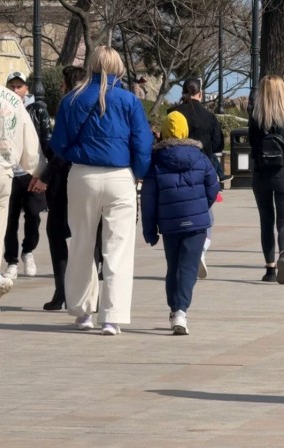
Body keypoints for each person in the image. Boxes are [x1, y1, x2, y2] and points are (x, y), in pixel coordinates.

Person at [50, 45, 153, 335]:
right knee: (118, 248)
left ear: (92, 66)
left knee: (81, 243)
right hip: (120, 176)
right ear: (119, 68)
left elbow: (58, 142)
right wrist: (138, 173)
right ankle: (112, 317)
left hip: (83, 174)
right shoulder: (129, 100)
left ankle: (83, 312)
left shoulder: (72, 99)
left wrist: (77, 153)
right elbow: (142, 143)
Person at [141, 111, 219, 335]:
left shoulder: (156, 161)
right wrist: (201, 206)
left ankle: (174, 308)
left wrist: (149, 230)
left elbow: (148, 198)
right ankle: (181, 311)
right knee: (188, 268)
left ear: (164, 133)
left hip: (170, 223)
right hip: (196, 222)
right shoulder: (200, 157)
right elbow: (213, 187)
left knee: (173, 266)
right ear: (185, 131)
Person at [34, 66, 86, 311]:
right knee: (86, 236)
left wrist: (45, 176)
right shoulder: (92, 105)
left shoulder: (68, 105)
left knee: (56, 233)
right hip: (85, 177)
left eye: (63, 84)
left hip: (63, 179)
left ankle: (62, 291)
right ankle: (85, 293)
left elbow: (61, 149)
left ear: (67, 84)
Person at [167, 78, 226, 279]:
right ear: (200, 93)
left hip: (174, 170)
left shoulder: (173, 113)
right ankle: (200, 249)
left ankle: (180, 256)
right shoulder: (209, 116)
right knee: (205, 215)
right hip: (202, 169)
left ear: (183, 92)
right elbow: (218, 145)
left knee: (177, 213)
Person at [248, 75, 284, 284]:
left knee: (266, 221)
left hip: (262, 172)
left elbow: (252, 141)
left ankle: (270, 269)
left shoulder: (256, 114)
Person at [4, 72, 48, 281]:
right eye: (12, 86)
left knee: (33, 215)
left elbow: (42, 138)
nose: (15, 90)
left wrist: (42, 173)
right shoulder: (3, 106)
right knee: (9, 219)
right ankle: (11, 261)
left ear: (26, 89)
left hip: (30, 173)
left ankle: (28, 250)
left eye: (19, 86)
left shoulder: (36, 110)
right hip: (8, 172)